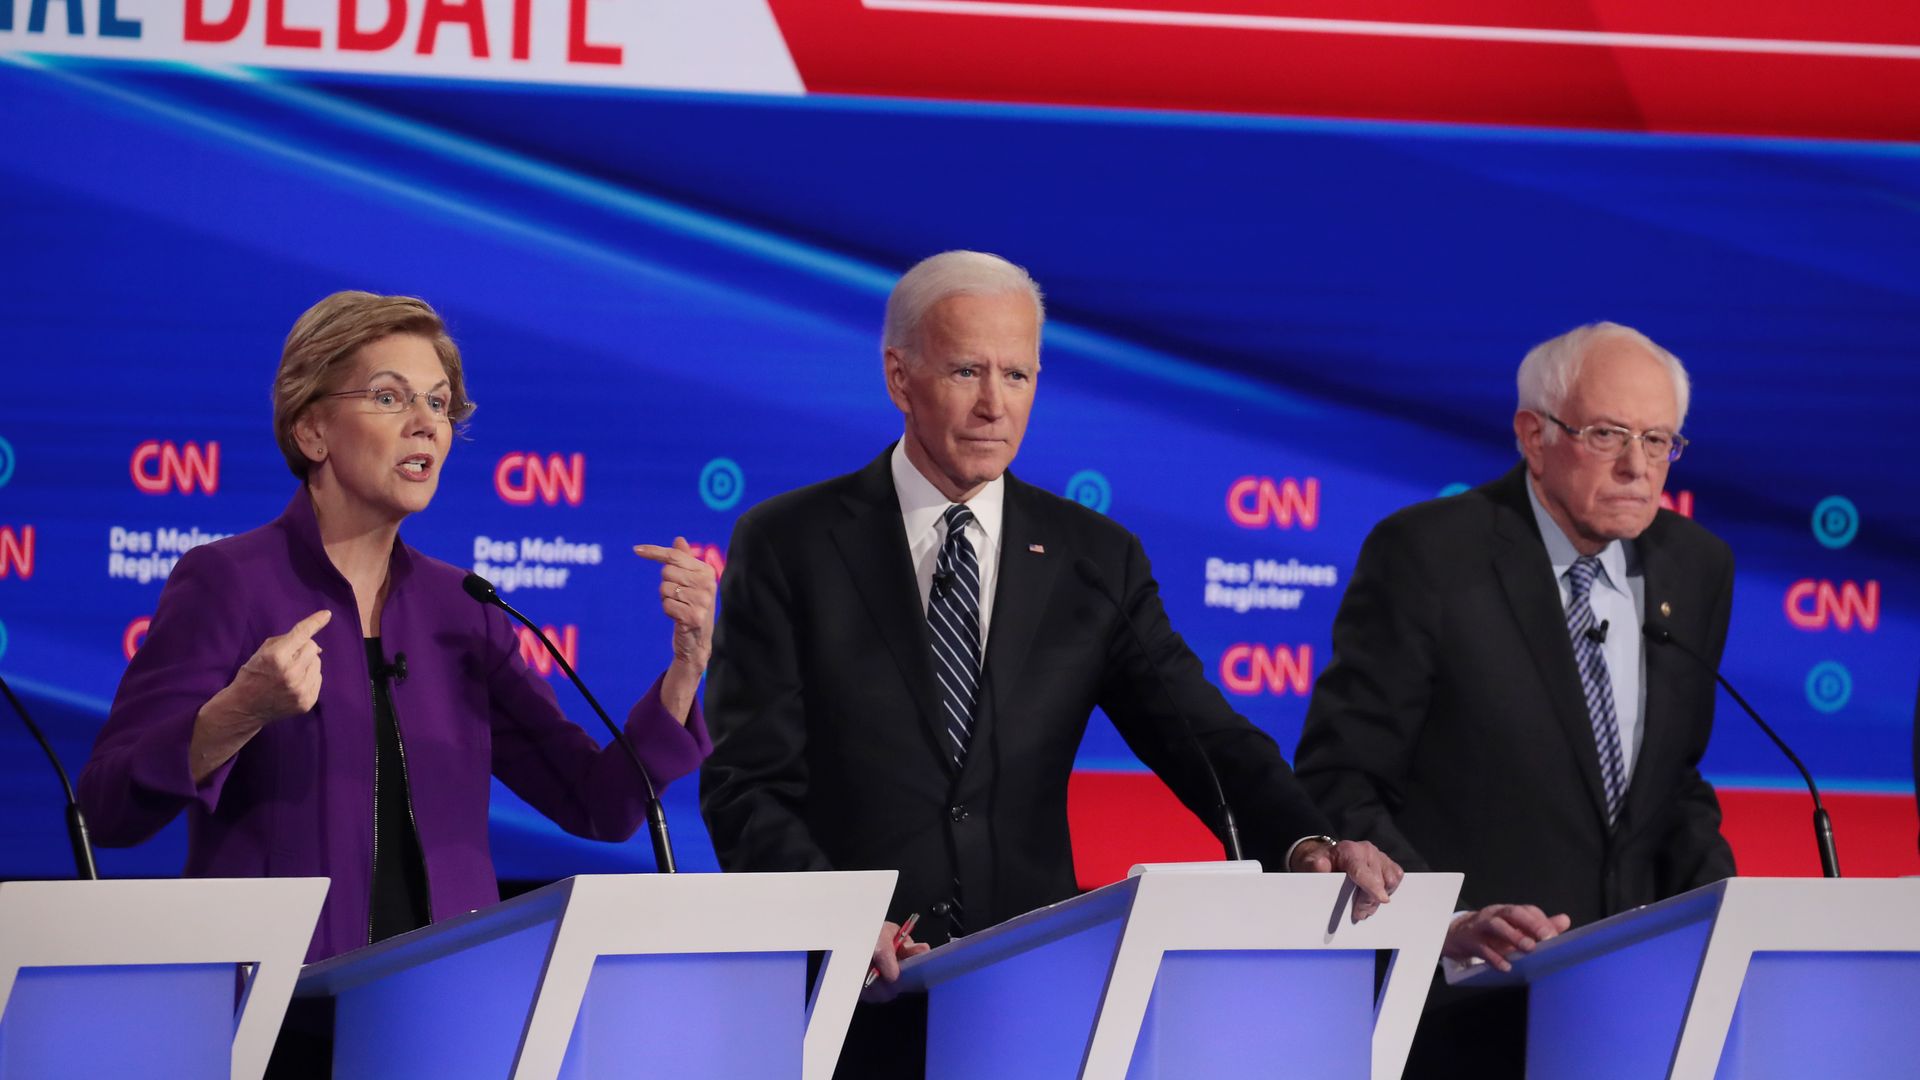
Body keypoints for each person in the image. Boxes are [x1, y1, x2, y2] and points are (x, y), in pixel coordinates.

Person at [699, 250, 1401, 1079]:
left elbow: (1201, 736)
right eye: (966, 370)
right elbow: (748, 782)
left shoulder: (1092, 558)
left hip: (1031, 1001)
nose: (995, 405)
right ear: (899, 376)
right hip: (844, 999)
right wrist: (843, 918)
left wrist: (1302, 840)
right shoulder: (790, 543)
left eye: (1019, 375)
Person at [78, 291, 717, 964]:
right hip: (281, 1012)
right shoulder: (229, 582)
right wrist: (238, 712)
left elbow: (601, 805)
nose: (426, 425)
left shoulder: (464, 609)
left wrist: (685, 670)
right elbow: (108, 807)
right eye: (390, 398)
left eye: (438, 404)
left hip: (446, 1013)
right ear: (311, 430)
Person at [1294, 321, 1737, 1078]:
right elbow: (1343, 780)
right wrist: (1447, 923)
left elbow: (1673, 785)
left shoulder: (1697, 567)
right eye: (1608, 435)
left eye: (1660, 441)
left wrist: (1732, 920)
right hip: (1469, 1008)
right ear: (1534, 435)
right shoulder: (1429, 555)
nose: (1639, 467)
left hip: (1635, 1014)